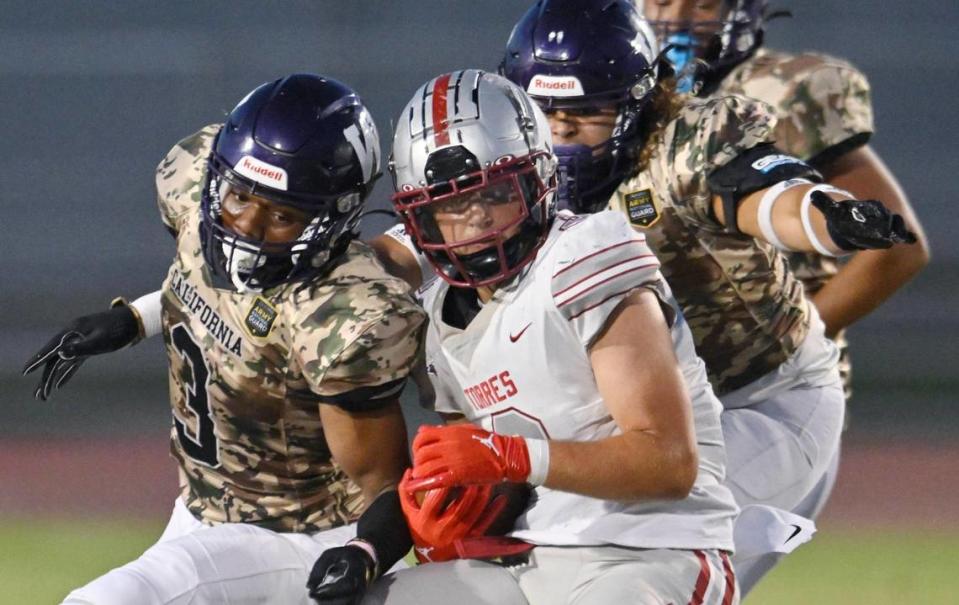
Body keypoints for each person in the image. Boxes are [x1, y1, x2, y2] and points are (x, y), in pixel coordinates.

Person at [23, 74, 425, 605]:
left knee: (119, 598)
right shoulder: (195, 192)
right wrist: (137, 319)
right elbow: (223, 298)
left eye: (282, 215)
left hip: (297, 537)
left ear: (335, 216)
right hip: (198, 512)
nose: (246, 228)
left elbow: (384, 483)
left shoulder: (341, 315)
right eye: (238, 197)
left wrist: (368, 550)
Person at [363, 68, 740, 605]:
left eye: (492, 193)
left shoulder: (584, 253)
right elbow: (485, 473)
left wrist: (511, 457)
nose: (472, 219)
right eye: (447, 205)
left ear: (538, 178)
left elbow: (669, 462)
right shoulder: (438, 316)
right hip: (522, 561)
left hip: (650, 551)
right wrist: (454, 509)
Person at [641, 0, 930, 584]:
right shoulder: (606, 96)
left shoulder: (784, 88)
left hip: (754, 390)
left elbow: (899, 244)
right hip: (655, 379)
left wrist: (795, 338)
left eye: (702, 1)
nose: (678, 16)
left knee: (659, 573)